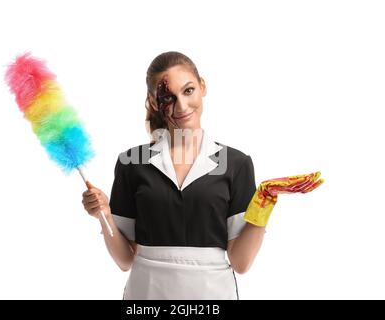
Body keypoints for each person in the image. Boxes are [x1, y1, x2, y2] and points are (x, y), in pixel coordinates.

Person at [81, 51, 322, 300]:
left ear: (202, 86)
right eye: (168, 98)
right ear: (154, 103)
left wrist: (265, 201)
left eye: (188, 91)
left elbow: (241, 262)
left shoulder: (236, 164)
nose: (182, 106)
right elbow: (124, 260)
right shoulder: (132, 164)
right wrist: (104, 216)